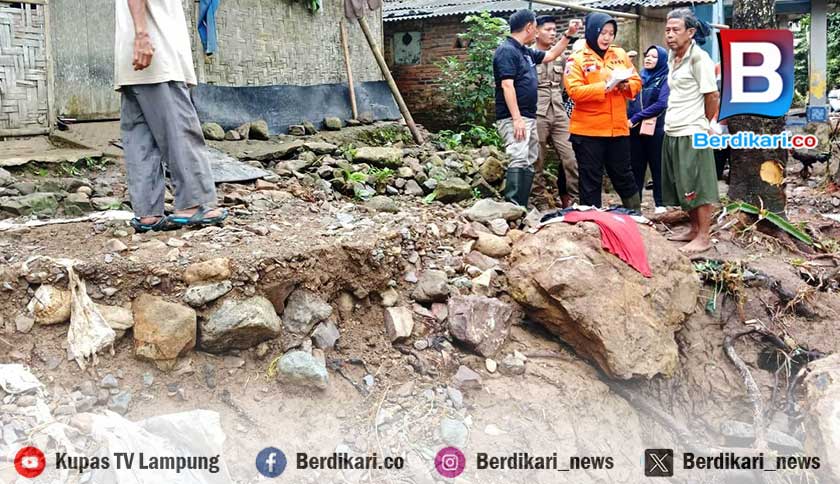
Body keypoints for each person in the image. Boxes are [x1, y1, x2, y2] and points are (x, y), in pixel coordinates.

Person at [117, 0, 228, 232]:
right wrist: (142, 34)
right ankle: (193, 203)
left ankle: (147, 213)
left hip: (133, 62)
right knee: (181, 130)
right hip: (159, 58)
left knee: (141, 140)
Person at [493, 10, 581, 207]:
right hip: (515, 117)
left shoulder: (524, 51)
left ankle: (521, 207)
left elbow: (551, 55)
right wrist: (516, 119)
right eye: (538, 28)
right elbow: (507, 85)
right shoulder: (507, 50)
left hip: (529, 115)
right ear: (530, 28)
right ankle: (515, 207)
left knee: (529, 158)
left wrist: (568, 34)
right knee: (518, 156)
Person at [563, 12, 642, 210]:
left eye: (611, 33)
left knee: (624, 174)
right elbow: (574, 91)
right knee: (591, 179)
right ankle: (592, 222)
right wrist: (604, 87)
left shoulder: (620, 54)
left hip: (617, 129)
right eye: (603, 32)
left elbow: (636, 81)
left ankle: (636, 214)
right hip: (588, 132)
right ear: (592, 32)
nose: (607, 37)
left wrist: (625, 86)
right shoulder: (576, 59)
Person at [661, 8, 720, 253]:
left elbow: (712, 95)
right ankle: (694, 229)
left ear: (691, 32)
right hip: (673, 127)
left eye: (676, 30)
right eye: (667, 30)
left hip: (692, 129)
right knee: (683, 184)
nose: (670, 35)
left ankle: (704, 237)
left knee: (699, 184)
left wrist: (704, 124)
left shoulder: (699, 59)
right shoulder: (671, 57)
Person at [534, 15, 579, 209]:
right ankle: (539, 200)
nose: (553, 33)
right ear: (536, 31)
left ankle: (576, 200)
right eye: (548, 29)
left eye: (554, 30)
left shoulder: (560, 57)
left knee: (571, 157)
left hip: (559, 111)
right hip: (537, 112)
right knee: (537, 158)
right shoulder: (529, 55)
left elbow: (564, 87)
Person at [627, 45, 670, 214]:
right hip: (634, 130)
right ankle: (635, 205)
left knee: (657, 166)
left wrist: (636, 117)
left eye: (654, 56)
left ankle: (660, 203)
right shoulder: (639, 78)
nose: (649, 59)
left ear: (662, 60)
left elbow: (661, 103)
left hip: (655, 129)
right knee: (636, 167)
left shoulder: (665, 78)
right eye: (647, 55)